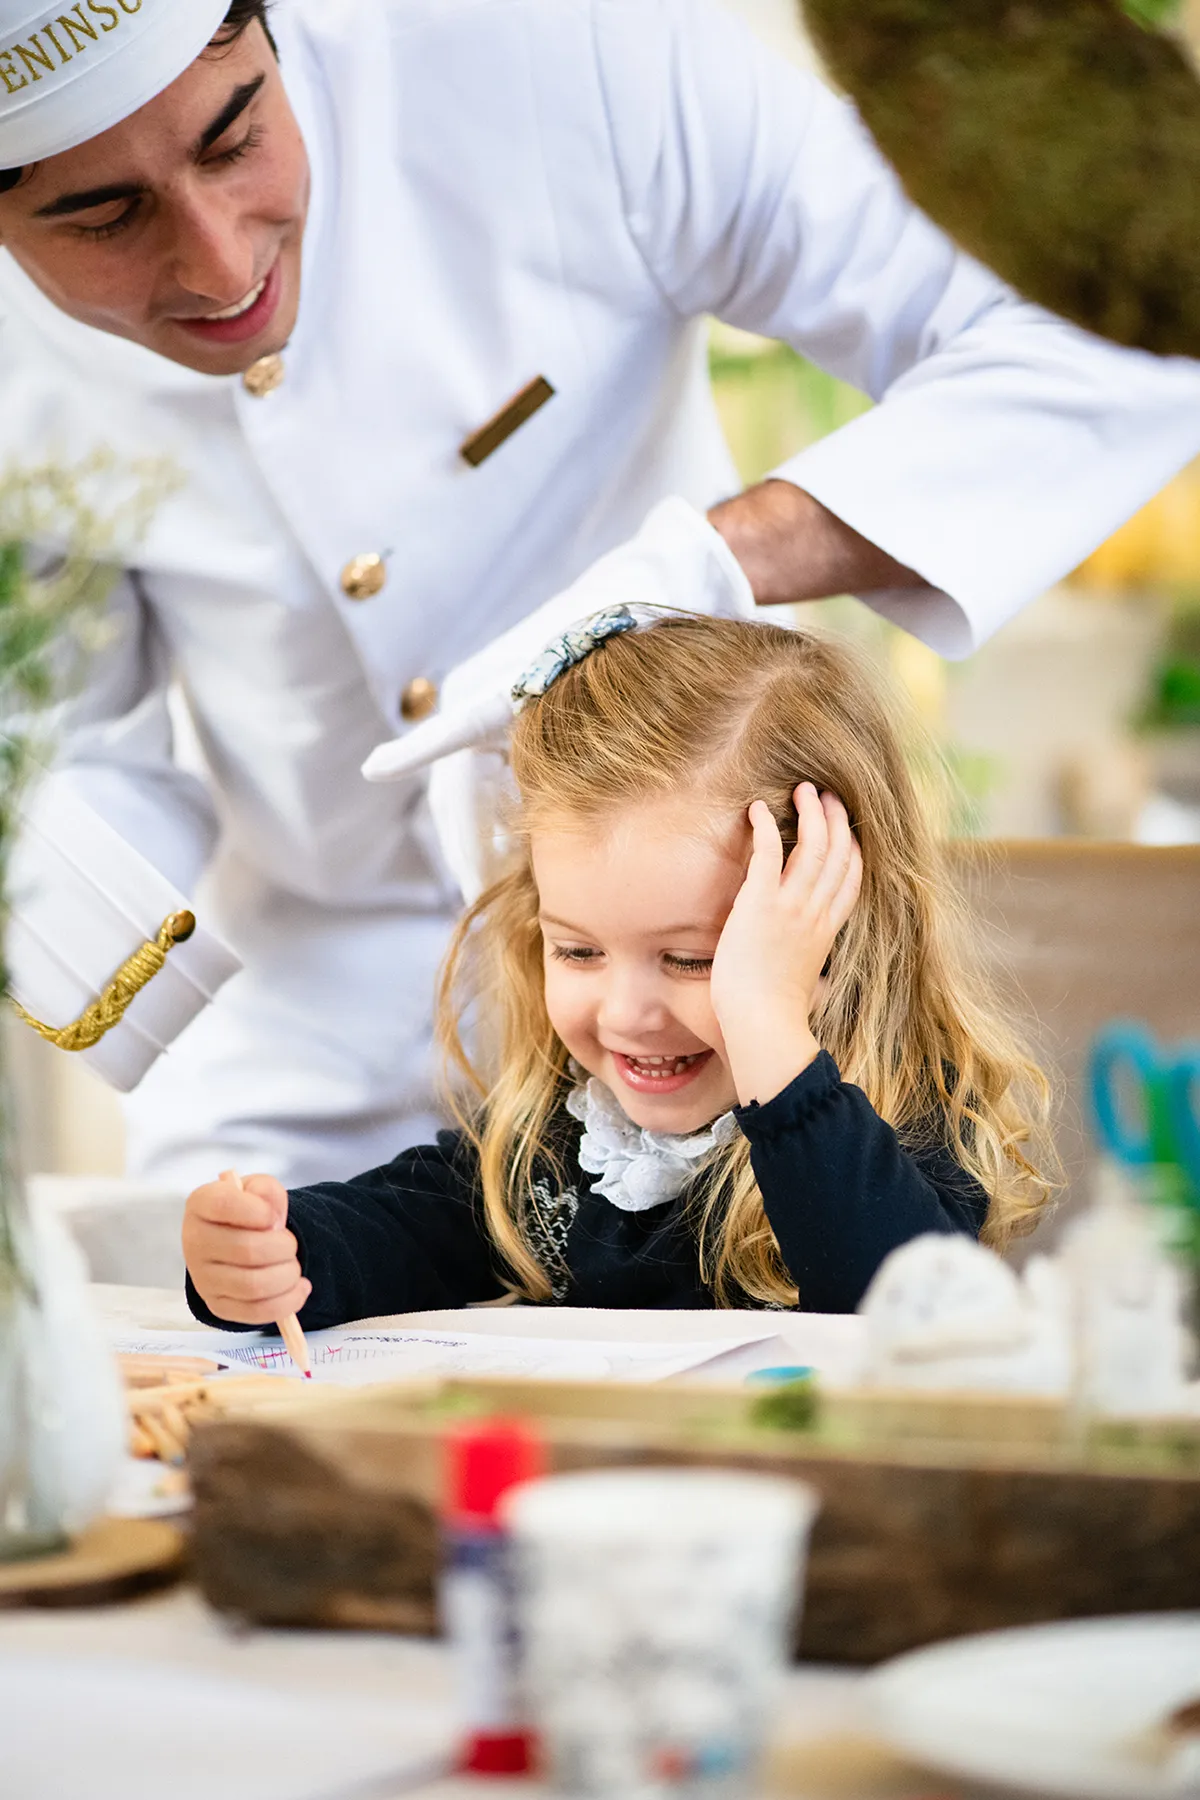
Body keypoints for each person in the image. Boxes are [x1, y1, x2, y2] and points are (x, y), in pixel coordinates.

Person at [4, 0, 1199, 1191]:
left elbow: (1118, 336)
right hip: (303, 1060)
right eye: (103, 214)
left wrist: (715, 564)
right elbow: (85, 742)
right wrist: (51, 890)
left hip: (714, 1016)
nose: (221, 261)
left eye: (234, 141)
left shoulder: (561, 56)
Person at [182, 612, 1053, 1325]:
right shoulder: (566, 1143)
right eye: (578, 951)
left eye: (692, 959)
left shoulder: (906, 1126)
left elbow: (898, 1315)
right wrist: (277, 1253)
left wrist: (766, 1031)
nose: (627, 1012)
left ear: (833, 931)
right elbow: (407, 1228)